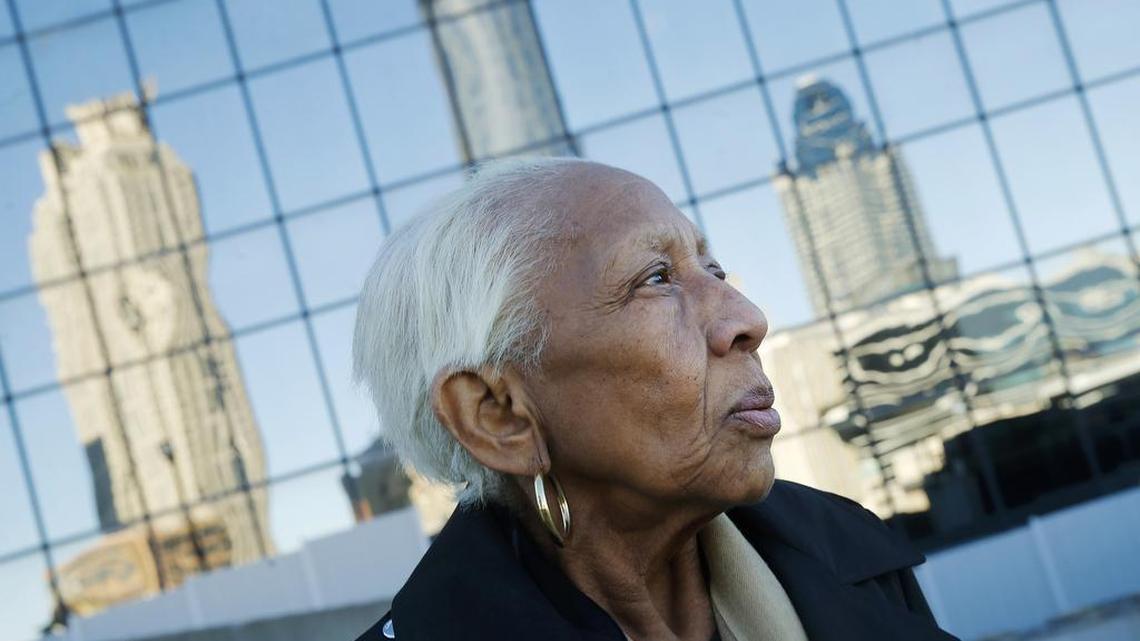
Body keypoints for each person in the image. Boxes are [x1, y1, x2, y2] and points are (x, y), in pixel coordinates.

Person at [350, 157, 959, 641]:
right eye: (656, 280)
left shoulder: (841, 546)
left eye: (713, 270)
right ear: (498, 415)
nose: (748, 320)